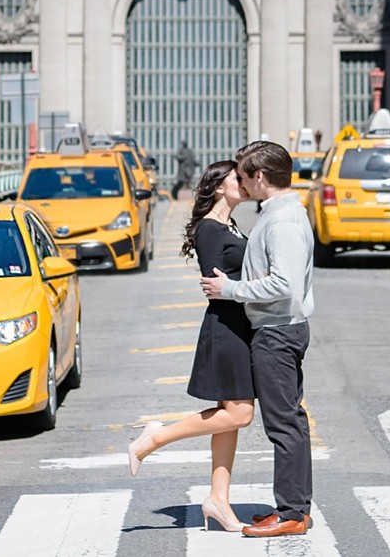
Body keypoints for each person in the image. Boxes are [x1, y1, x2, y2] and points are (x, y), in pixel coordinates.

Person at [128, 161, 255, 533]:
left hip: (239, 327)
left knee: (228, 418)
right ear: (219, 187)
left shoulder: (230, 225)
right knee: (240, 414)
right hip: (226, 329)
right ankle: (155, 437)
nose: (244, 183)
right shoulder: (211, 230)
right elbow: (218, 282)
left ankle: (218, 500)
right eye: (238, 178)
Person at [199, 140, 314, 538]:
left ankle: (292, 513)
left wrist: (230, 290)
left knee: (284, 425)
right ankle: (294, 508)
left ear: (261, 177)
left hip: (277, 331)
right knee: (289, 422)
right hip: (280, 328)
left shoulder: (281, 222)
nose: (243, 184)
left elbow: (284, 283)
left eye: (245, 176)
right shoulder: (279, 214)